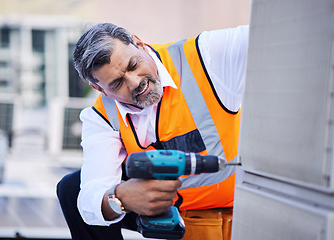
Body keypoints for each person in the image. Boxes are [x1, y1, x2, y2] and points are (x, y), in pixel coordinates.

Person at [57, 22, 248, 240]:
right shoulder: (101, 116)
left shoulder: (206, 56)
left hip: (241, 207)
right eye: (117, 83)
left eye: (133, 65)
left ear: (139, 43)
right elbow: (90, 197)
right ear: (100, 89)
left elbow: (274, 35)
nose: (135, 82)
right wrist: (120, 198)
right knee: (72, 189)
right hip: (177, 215)